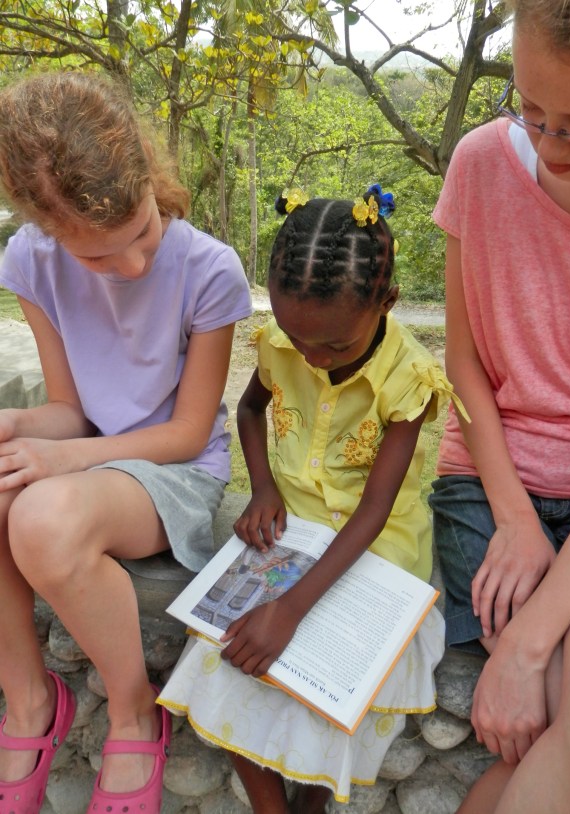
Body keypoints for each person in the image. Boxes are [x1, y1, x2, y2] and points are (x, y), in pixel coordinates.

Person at [159, 185, 467, 813]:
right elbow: (249, 408)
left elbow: (375, 511)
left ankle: (308, 805)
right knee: (219, 662)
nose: (311, 358)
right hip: (293, 532)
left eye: (334, 348)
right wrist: (264, 487)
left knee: (328, 692)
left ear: (387, 303)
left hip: (376, 550)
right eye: (299, 340)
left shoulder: (407, 377)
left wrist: (291, 609)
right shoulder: (283, 339)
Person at [0, 71, 252, 814]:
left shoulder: (208, 271)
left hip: (171, 475)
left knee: (42, 518)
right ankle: (27, 701)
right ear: (46, 232)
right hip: (87, 465)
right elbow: (70, 412)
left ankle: (133, 709)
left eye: (140, 232)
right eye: (97, 259)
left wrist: (60, 461)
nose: (131, 267)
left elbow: (182, 434)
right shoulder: (29, 262)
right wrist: (16, 429)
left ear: (148, 173)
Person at [428, 0, 570, 810]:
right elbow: (461, 364)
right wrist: (512, 518)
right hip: (494, 487)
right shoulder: (479, 164)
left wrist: (530, 644)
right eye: (529, 109)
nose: (545, 145)